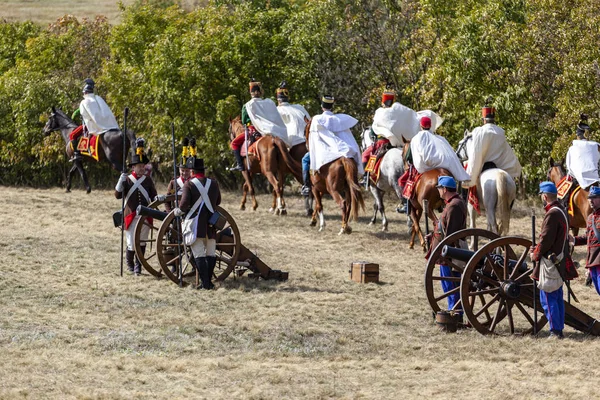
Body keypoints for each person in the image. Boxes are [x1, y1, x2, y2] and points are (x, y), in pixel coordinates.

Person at [174, 157, 221, 289]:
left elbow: (183, 205)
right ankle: (208, 282)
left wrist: (178, 211)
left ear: (192, 171)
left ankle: (205, 283)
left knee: (199, 253)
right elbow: (218, 202)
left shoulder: (189, 184)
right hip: (211, 223)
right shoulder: (214, 183)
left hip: (195, 224)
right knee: (210, 252)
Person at [531, 182, 570, 339]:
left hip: (550, 261)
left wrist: (535, 254)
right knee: (557, 296)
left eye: (541, 195)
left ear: (545, 196)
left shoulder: (552, 214)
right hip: (558, 259)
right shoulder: (561, 210)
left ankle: (555, 331)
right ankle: (558, 328)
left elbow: (546, 240)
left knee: (547, 297)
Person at [115, 143, 158, 276]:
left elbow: (153, 196)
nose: (142, 168)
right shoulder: (127, 180)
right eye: (139, 166)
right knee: (131, 243)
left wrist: (158, 198)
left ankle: (139, 266)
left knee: (142, 242)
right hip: (131, 215)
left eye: (143, 166)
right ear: (133, 167)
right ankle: (130, 264)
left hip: (145, 216)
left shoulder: (148, 180)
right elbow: (117, 195)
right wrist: (119, 183)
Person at [230, 79, 289, 171]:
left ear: (251, 93)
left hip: (253, 129)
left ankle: (240, 165)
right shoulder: (269, 102)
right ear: (260, 92)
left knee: (234, 143)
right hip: (272, 129)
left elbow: (245, 121)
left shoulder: (247, 106)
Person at [429, 176, 467, 314]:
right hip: (447, 250)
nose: (438, 191)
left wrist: (444, 250)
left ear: (444, 189)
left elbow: (451, 233)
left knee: (451, 285)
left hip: (450, 252)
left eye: (439, 188)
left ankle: (455, 312)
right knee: (449, 284)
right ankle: (454, 309)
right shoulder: (453, 203)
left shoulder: (454, 205)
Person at [462, 103, 521, 188]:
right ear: (494, 119)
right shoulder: (500, 132)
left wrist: (471, 176)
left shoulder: (479, 131)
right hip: (499, 166)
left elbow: (476, 152)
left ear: (484, 120)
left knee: (467, 182)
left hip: (484, 166)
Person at [308, 94, 363, 180]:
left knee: (305, 160)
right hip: (344, 149)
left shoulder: (317, 119)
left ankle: (306, 185)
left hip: (326, 151)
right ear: (332, 106)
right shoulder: (340, 119)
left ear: (322, 106)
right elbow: (348, 137)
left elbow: (315, 139)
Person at [360, 90, 395, 183]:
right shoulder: (395, 113)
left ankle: (365, 177)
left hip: (382, 142)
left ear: (383, 102)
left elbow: (372, 131)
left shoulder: (380, 112)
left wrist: (373, 134)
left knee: (365, 155)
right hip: (395, 143)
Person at [572, 186, 600, 296]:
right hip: (592, 262)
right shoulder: (590, 218)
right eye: (589, 198)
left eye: (594, 197)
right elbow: (588, 238)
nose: (591, 201)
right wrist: (573, 239)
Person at [565, 114, 600, 189]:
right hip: (597, 179)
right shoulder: (596, 145)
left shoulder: (572, 149)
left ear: (578, 136)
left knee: (563, 196)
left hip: (579, 180)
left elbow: (569, 167)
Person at [163, 138, 195, 212]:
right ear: (179, 170)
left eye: (187, 171)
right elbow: (167, 199)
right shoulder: (173, 183)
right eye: (182, 170)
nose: (184, 173)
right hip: (176, 213)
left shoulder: (194, 182)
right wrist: (169, 213)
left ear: (190, 171)